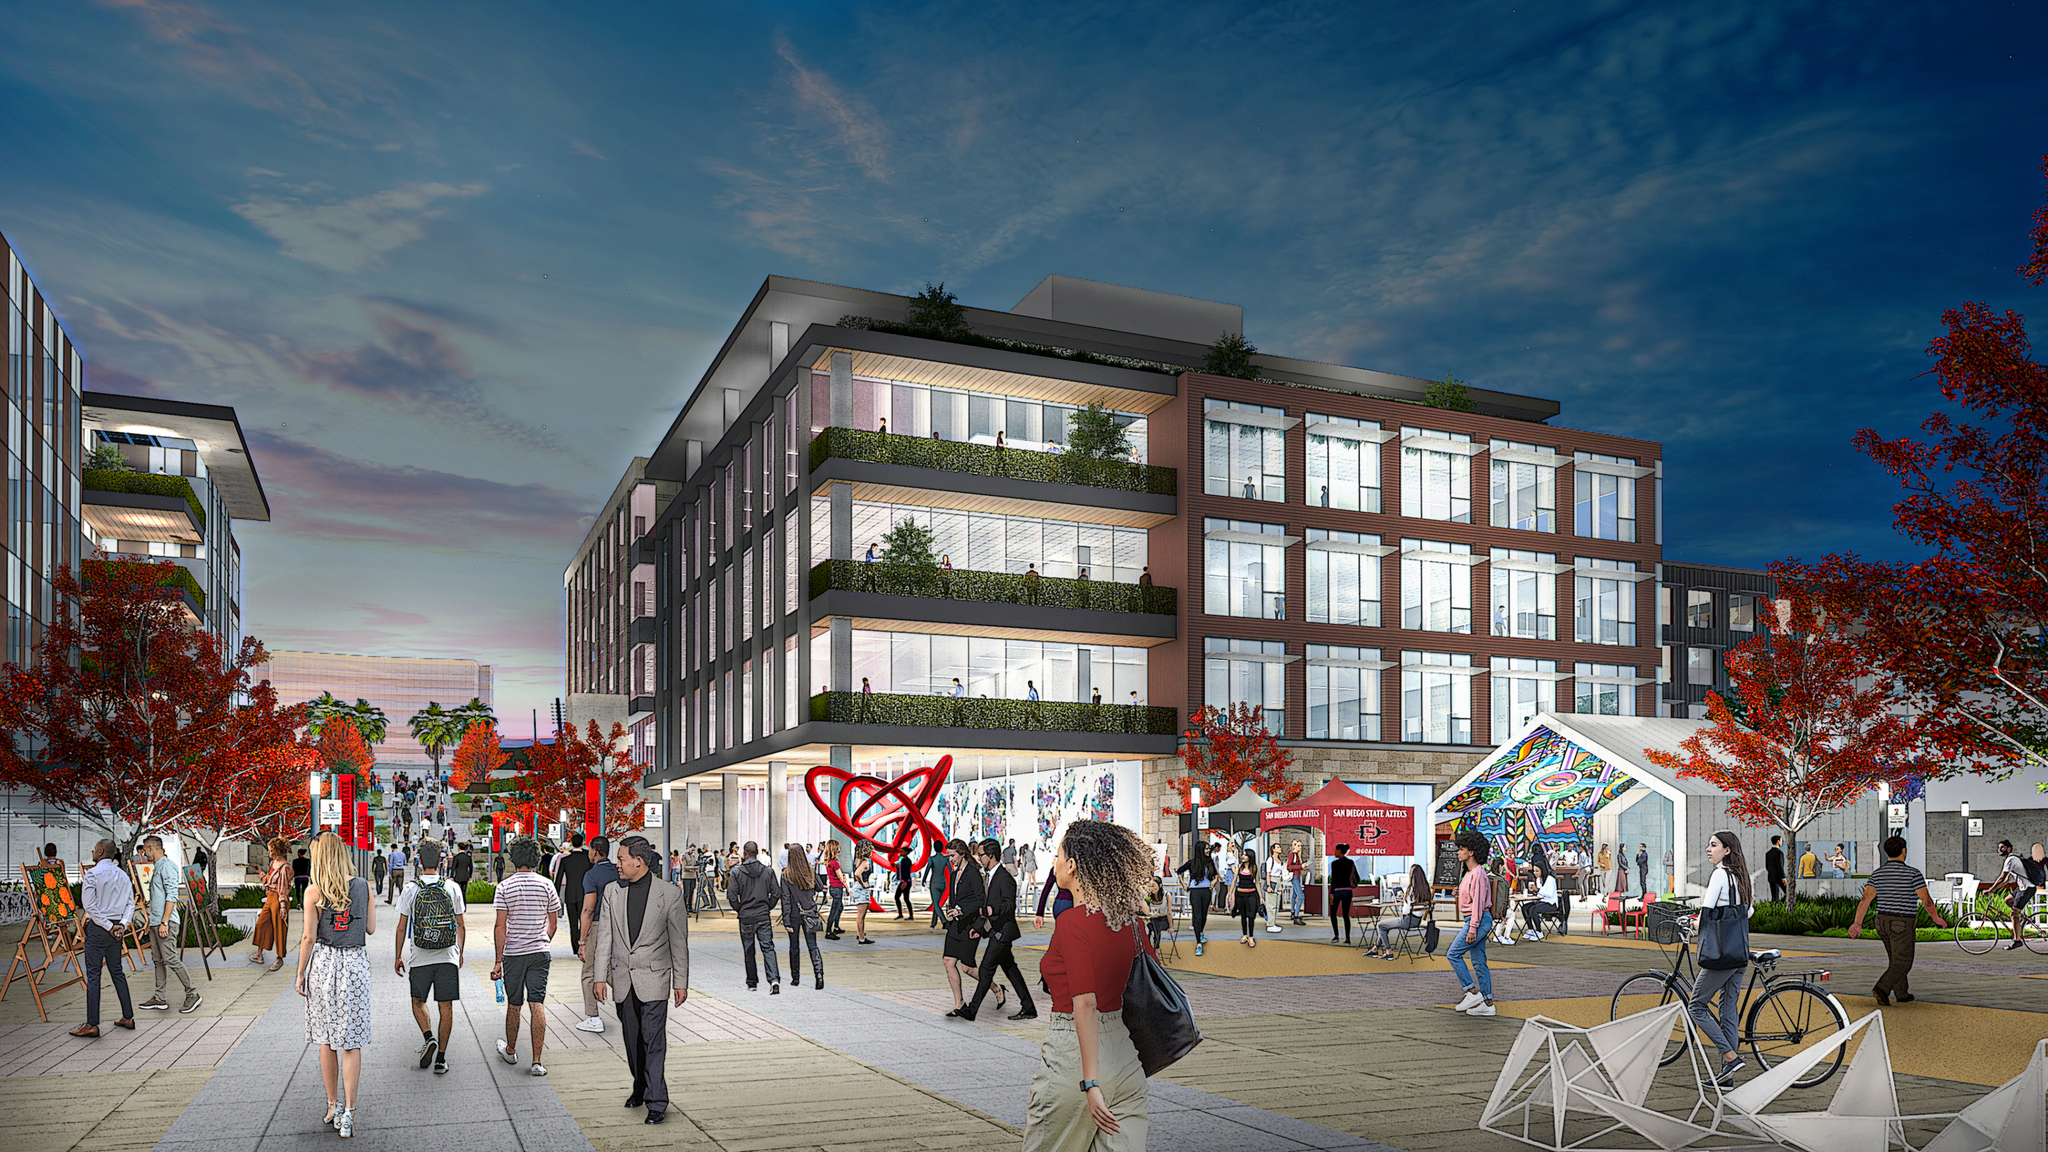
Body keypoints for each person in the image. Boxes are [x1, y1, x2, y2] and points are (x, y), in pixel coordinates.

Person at [1023, 820, 1153, 1151]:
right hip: (1125, 1055)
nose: (1054, 863)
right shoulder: (1132, 923)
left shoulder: (1072, 923)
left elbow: (1086, 1003)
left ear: (1073, 865)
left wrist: (1091, 1081)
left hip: (1076, 1054)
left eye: (1057, 855)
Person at [593, 840, 690, 1125]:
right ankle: (640, 1086)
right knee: (632, 1041)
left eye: (621, 859)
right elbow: (605, 939)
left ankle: (657, 1101)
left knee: (653, 1041)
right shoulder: (612, 891)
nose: (617, 864)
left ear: (639, 861)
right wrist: (600, 977)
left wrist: (680, 981)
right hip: (623, 979)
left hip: (655, 978)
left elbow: (679, 942)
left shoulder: (670, 894)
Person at [296, 832, 374, 1137]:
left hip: (325, 964)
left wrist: (300, 973)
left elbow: (308, 938)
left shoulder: (313, 892)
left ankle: (332, 1105)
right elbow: (369, 927)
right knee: (350, 1041)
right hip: (354, 964)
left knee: (326, 1038)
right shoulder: (363, 885)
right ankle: (350, 1113)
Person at [491, 836, 562, 1076]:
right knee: (537, 1003)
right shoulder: (546, 885)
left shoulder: (504, 887)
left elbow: (500, 926)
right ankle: (537, 1062)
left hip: (514, 953)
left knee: (514, 1004)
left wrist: (498, 960)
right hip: (540, 952)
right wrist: (543, 941)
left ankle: (510, 1051)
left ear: (513, 858)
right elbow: (553, 923)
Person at [1688, 831, 1755, 1087]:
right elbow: (1748, 910)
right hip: (1739, 951)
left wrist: (1694, 926)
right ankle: (1727, 1076)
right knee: (1728, 1008)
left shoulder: (1719, 874)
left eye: (1713, 845)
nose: (1708, 848)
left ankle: (1730, 1055)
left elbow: (1707, 909)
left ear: (1727, 850)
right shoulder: (1742, 876)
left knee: (1696, 1005)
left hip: (1721, 954)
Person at [1848, 834, 1947, 1005]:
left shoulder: (1878, 874)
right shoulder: (1912, 874)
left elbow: (1865, 899)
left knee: (1895, 959)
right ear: (1904, 851)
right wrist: (1936, 918)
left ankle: (1902, 993)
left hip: (1882, 921)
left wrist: (1857, 923)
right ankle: (1881, 988)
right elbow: (1926, 901)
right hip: (1901, 922)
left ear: (1887, 853)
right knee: (1903, 962)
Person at [394, 839, 465, 1075]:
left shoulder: (411, 889)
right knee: (446, 1006)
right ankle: (442, 1059)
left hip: (420, 956)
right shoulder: (452, 888)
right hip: (447, 956)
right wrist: (460, 952)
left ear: (419, 861)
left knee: (418, 1002)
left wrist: (398, 956)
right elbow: (461, 925)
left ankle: (428, 1037)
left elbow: (402, 927)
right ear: (442, 861)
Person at [960, 838, 1034, 1021]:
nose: (980, 859)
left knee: (985, 969)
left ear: (990, 855)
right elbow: (986, 905)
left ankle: (972, 1010)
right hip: (996, 931)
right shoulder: (992, 876)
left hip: (1003, 932)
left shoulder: (1004, 877)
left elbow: (1009, 905)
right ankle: (1029, 1007)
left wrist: (994, 910)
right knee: (1011, 970)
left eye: (981, 855)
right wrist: (978, 927)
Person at [71, 839, 136, 1038]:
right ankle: (128, 1016)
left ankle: (92, 1024)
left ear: (99, 851)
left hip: (100, 929)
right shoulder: (123, 875)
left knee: (93, 975)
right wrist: (121, 925)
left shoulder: (92, 874)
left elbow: (89, 907)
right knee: (117, 971)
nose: (92, 851)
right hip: (116, 929)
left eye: (94, 849)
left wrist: (108, 927)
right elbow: (131, 903)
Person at [137, 835, 201, 1013]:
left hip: (166, 922)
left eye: (145, 850)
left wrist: (164, 921)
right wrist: (151, 922)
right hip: (157, 922)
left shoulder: (168, 866)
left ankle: (193, 994)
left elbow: (172, 896)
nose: (144, 854)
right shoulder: (157, 867)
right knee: (158, 961)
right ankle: (159, 998)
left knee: (171, 959)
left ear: (151, 848)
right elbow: (157, 899)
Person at [1448, 829, 1497, 1017]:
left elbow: (1478, 904)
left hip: (1477, 920)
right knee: (1478, 962)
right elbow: (1474, 898)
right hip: (1478, 920)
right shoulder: (1472, 873)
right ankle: (1488, 1003)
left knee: (1453, 954)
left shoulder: (1476, 874)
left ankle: (1471, 992)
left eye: (1462, 849)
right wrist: (1460, 894)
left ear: (1471, 852)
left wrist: (1473, 928)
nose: (1459, 852)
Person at [575, 836, 618, 1034]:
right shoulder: (619, 872)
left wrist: (582, 940)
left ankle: (593, 1018)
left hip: (598, 925)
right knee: (612, 968)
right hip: (619, 925)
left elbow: (588, 910)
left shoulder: (591, 875)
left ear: (593, 851)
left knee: (589, 971)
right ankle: (634, 1003)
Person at [729, 841, 781, 992]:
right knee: (768, 948)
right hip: (763, 915)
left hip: (746, 917)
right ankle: (774, 980)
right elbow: (776, 893)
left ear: (745, 853)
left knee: (748, 949)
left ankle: (752, 982)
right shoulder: (768, 871)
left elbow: (732, 896)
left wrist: (740, 909)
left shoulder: (737, 872)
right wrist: (768, 906)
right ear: (756, 853)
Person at [941, 839, 985, 1015]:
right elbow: (956, 898)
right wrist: (952, 909)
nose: (950, 859)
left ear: (962, 853)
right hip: (955, 925)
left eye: (952, 855)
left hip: (969, 924)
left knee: (967, 967)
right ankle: (959, 1003)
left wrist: (962, 911)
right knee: (948, 961)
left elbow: (980, 900)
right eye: (949, 856)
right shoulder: (953, 875)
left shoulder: (973, 873)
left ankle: (996, 988)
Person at [780, 848, 825, 990]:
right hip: (810, 913)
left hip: (794, 914)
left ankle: (795, 978)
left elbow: (785, 899)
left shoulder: (786, 874)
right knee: (813, 945)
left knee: (794, 946)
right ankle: (819, 977)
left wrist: (786, 920)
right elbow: (819, 887)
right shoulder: (810, 870)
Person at [1368, 864, 1435, 959]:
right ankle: (1375, 949)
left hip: (1407, 920)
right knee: (1385, 926)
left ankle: (1388, 952)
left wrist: (1404, 901)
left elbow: (1405, 911)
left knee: (1380, 925)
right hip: (1417, 920)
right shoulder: (1426, 889)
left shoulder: (1411, 889)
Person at [250, 838, 292, 971]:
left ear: (277, 851)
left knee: (279, 928)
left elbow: (283, 888)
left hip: (279, 900)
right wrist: (260, 873)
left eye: (270, 850)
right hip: (270, 897)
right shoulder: (273, 863)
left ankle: (279, 958)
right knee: (261, 924)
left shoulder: (285, 868)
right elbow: (270, 883)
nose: (268, 852)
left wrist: (283, 906)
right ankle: (259, 954)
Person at [1990, 839, 2038, 950]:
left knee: (2013, 914)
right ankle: (2020, 920)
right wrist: (1994, 889)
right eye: (1999, 848)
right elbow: (2006, 880)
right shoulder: (2012, 860)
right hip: (2022, 888)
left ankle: (2017, 940)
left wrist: (1991, 889)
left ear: (2009, 849)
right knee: (2008, 900)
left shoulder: (2010, 860)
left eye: (2002, 847)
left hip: (2027, 889)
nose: (2000, 850)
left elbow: (2002, 877)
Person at [1174, 840, 1215, 955]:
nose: (1208, 850)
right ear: (1200, 850)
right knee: (1197, 916)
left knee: (1203, 916)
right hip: (1195, 891)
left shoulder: (1209, 861)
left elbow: (1216, 875)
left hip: (1206, 890)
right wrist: (1184, 884)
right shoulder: (1192, 863)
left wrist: (1214, 881)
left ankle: (1201, 932)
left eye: (1208, 848)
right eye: (1206, 848)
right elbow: (1179, 871)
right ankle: (1198, 944)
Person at [556, 831, 592, 953]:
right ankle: (584, 944)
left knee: (572, 923)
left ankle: (575, 948)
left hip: (570, 894)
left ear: (571, 843)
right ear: (583, 843)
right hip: (585, 894)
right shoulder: (588, 859)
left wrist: (556, 895)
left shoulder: (565, 860)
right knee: (585, 921)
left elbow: (558, 878)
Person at [1328, 844, 1359, 945]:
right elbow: (1357, 878)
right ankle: (1347, 938)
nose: (1335, 852)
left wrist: (1331, 894)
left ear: (1339, 851)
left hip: (1337, 891)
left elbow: (1334, 880)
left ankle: (1336, 935)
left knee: (1333, 914)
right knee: (1346, 915)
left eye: (1336, 850)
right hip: (1347, 891)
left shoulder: (1334, 864)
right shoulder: (1350, 862)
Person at [1521, 862, 1560, 941]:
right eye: (1534, 871)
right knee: (1524, 907)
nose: (1535, 873)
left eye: (1537, 871)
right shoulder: (1538, 879)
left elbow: (1549, 894)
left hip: (1551, 903)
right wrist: (1534, 893)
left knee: (1533, 909)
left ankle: (1539, 931)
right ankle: (1531, 929)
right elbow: (1540, 894)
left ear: (1542, 870)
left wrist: (1538, 890)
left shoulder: (1550, 879)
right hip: (1542, 901)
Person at [1232, 849, 1262, 948]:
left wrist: (1261, 897)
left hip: (1251, 894)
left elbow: (1257, 883)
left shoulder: (1254, 868)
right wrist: (1230, 894)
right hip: (1240, 894)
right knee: (1243, 915)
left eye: (1245, 855)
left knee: (1251, 916)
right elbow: (1234, 881)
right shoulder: (1238, 868)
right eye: (1243, 854)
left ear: (1250, 857)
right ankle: (1245, 935)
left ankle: (1251, 936)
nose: (1243, 856)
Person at [821, 840, 845, 940]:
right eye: (838, 848)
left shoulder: (829, 862)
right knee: (834, 910)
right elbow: (841, 878)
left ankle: (836, 927)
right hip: (837, 888)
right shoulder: (834, 863)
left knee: (839, 908)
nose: (839, 849)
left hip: (833, 888)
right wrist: (847, 888)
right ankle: (828, 932)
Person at [1264, 846, 1289, 933]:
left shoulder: (1279, 861)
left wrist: (1281, 887)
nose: (1280, 848)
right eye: (1278, 847)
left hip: (1278, 881)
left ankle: (1273, 923)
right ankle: (1270, 924)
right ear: (1273, 849)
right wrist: (1268, 885)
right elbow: (1268, 873)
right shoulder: (1270, 859)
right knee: (1271, 905)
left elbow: (1279, 875)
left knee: (1277, 905)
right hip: (1272, 880)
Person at [1143, 876, 1170, 950]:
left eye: (1153, 885)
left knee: (1155, 926)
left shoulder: (1167, 895)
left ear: (1160, 885)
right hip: (1153, 920)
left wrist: (1171, 927)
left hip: (1164, 920)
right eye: (1150, 886)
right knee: (1146, 927)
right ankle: (1147, 948)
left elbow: (1169, 912)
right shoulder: (1149, 896)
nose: (1152, 888)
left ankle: (1156, 949)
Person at [924, 848, 948, 927]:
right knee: (937, 903)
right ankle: (933, 922)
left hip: (934, 883)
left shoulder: (932, 859)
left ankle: (944, 921)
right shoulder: (945, 859)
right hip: (943, 882)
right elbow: (951, 870)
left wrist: (923, 879)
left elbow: (927, 870)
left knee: (935, 903)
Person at [1287, 839, 1307, 925]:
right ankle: (1296, 916)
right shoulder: (1292, 854)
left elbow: (1296, 866)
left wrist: (1302, 867)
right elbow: (1288, 866)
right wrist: (1300, 866)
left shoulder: (1297, 855)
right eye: (1298, 845)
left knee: (1295, 895)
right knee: (1301, 897)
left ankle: (1293, 912)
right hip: (1295, 877)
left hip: (1297, 877)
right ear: (1294, 846)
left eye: (1300, 845)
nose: (1300, 847)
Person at [893, 846, 915, 920]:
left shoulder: (907, 861)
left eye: (902, 851)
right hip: (904, 881)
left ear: (906, 852)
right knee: (903, 898)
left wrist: (904, 883)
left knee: (901, 898)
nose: (901, 853)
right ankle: (904, 914)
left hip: (905, 882)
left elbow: (906, 872)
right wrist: (897, 867)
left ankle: (906, 915)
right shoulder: (903, 860)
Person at [1765, 836, 1786, 904]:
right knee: (1788, 892)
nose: (1782, 842)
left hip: (1771, 877)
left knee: (1774, 896)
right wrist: (1783, 877)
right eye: (1781, 840)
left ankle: (1773, 909)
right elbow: (1780, 866)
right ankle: (1781, 904)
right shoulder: (1779, 853)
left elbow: (1767, 866)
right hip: (1779, 877)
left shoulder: (1768, 853)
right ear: (1778, 842)